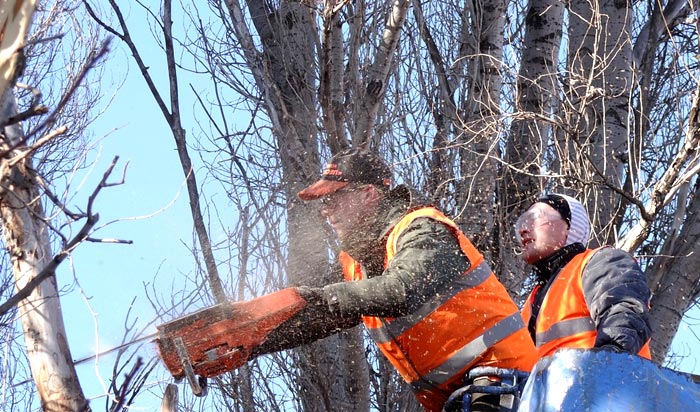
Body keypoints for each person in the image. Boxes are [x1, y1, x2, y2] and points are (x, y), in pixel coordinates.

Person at [252, 149, 537, 412]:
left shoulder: (424, 229)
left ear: (368, 194)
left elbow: (402, 289)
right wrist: (250, 340)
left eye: (334, 198)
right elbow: (316, 313)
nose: (326, 210)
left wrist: (326, 295)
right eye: (324, 202)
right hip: (461, 395)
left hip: (503, 377)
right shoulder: (355, 265)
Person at [515, 193, 652, 360]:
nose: (523, 230)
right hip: (552, 385)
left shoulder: (601, 262)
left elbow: (624, 314)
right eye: (522, 223)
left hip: (604, 382)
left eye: (535, 218)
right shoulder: (532, 302)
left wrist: (607, 361)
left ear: (569, 227)